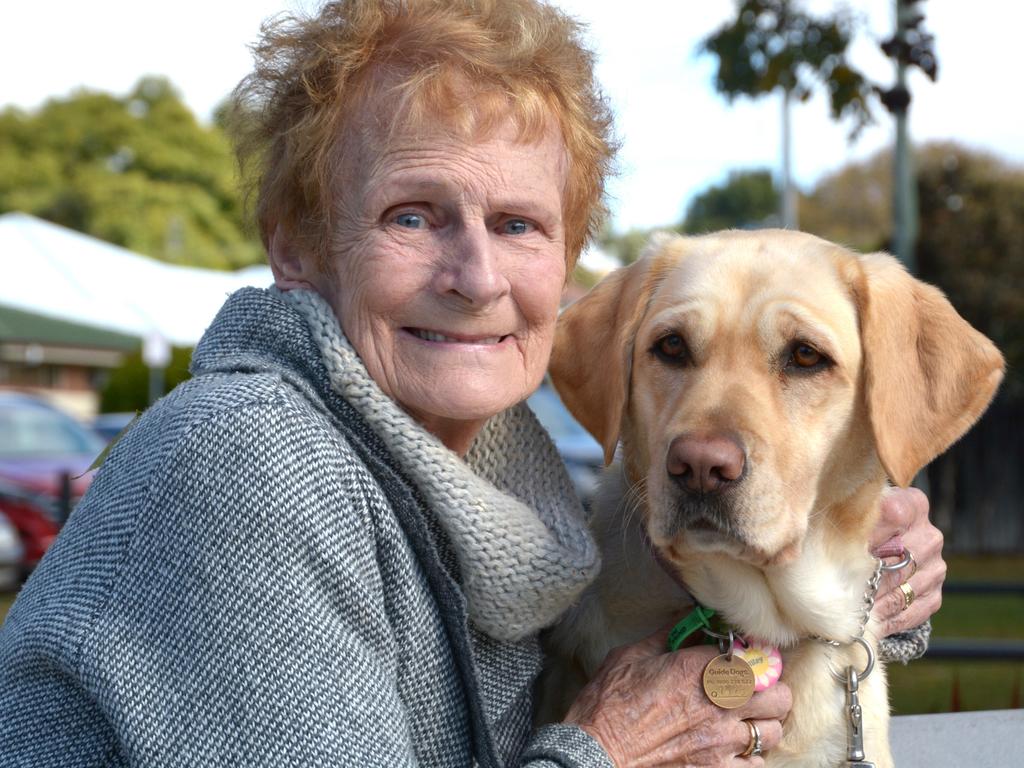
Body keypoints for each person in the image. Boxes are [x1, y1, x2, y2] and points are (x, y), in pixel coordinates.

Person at [0, 1, 941, 765]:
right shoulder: (248, 464)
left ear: (566, 261)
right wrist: (600, 754)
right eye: (413, 216)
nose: (477, 277)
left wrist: (863, 592)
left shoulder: (495, 472)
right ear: (295, 242)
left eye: (520, 225)